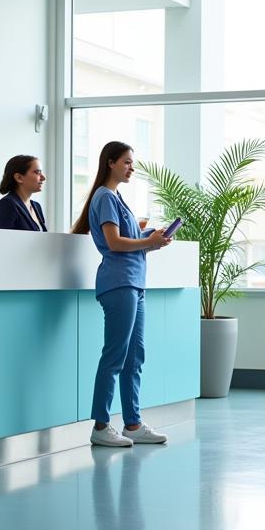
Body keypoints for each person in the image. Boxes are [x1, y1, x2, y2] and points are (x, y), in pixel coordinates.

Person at [72, 141, 171, 448]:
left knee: (134, 356)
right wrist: (148, 242)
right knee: (115, 355)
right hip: (119, 284)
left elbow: (128, 238)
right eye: (127, 162)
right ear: (111, 163)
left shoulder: (116, 197)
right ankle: (101, 425)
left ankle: (133, 423)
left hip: (134, 284)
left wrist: (152, 238)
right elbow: (114, 243)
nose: (132, 167)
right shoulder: (104, 196)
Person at [0, 154, 48, 231]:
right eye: (37, 172)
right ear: (19, 178)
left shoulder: (36, 206)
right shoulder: (8, 204)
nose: (43, 178)